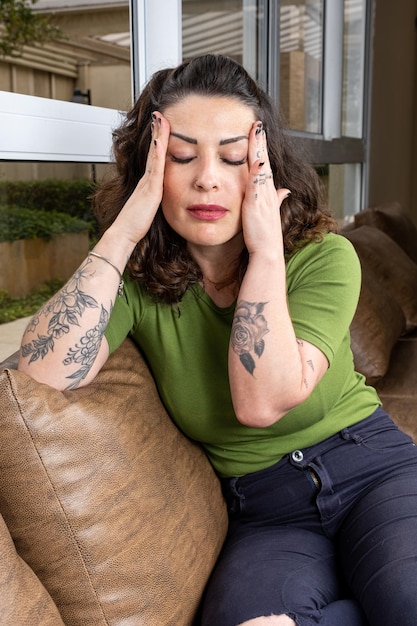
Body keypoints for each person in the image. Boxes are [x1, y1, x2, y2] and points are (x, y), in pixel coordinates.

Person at [18, 54, 417, 626]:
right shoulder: (136, 283)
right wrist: (126, 228)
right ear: (150, 169)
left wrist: (266, 253)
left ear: (264, 167)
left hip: (374, 469)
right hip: (267, 512)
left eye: (232, 157)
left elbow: (261, 401)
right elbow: (39, 375)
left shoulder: (325, 257)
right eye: (182, 156)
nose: (207, 176)